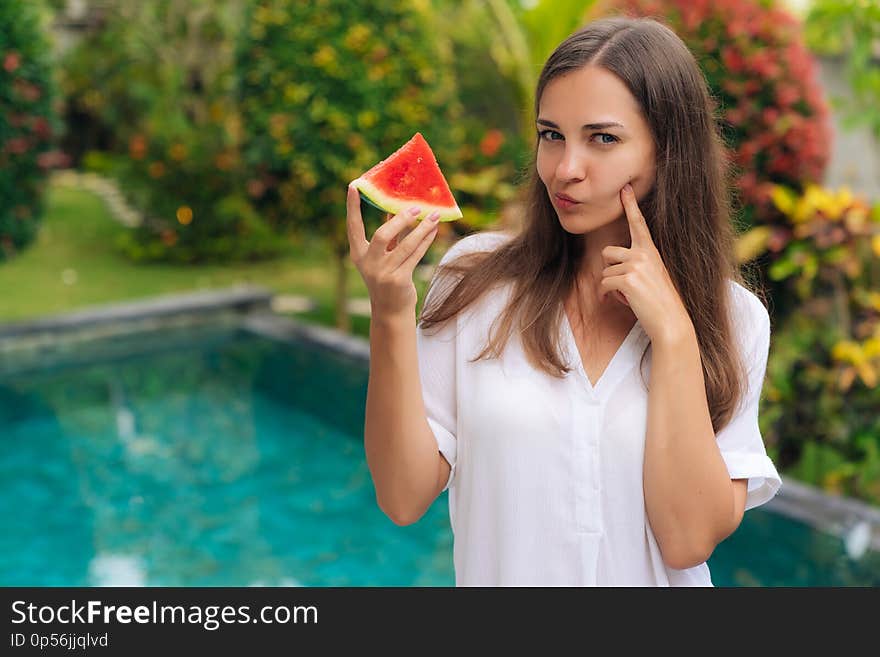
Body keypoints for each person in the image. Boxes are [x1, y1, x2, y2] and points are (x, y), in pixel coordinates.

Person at [346, 15, 782, 586]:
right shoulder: (473, 282)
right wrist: (390, 312)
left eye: (603, 138)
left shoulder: (734, 318)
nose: (565, 170)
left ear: (668, 150)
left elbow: (686, 540)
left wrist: (674, 337)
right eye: (551, 135)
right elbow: (402, 496)